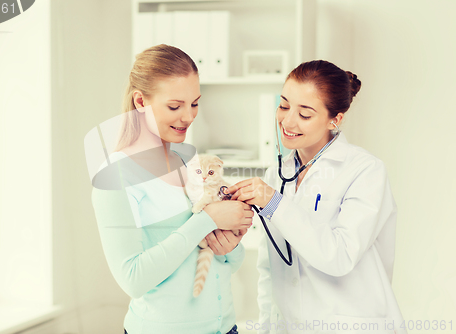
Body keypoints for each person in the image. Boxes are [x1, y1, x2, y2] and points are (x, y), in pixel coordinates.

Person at [226, 60, 406, 334]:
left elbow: (340, 257)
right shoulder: (277, 174)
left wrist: (275, 203)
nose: (287, 121)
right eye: (284, 105)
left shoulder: (365, 171)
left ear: (335, 119)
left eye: (305, 114)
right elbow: (270, 266)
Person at [90, 44, 253, 334]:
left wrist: (231, 244)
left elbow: (224, 264)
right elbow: (133, 279)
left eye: (195, 103)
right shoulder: (116, 176)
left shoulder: (187, 161)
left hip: (225, 327)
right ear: (141, 101)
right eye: (175, 106)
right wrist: (209, 219)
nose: (188, 117)